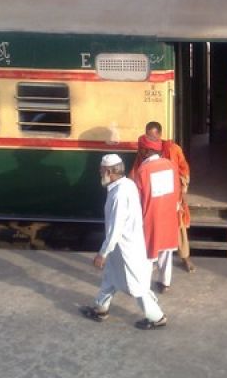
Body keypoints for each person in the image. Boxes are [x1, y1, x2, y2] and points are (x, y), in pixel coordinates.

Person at [80, 154, 167, 330]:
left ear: (109, 171)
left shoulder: (118, 195)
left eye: (101, 170)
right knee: (110, 277)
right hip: (120, 247)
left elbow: (115, 228)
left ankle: (157, 317)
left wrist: (102, 253)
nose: (99, 172)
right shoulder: (127, 185)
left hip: (126, 247)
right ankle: (100, 308)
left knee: (137, 285)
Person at [132, 121, 196, 273]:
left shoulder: (173, 149)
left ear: (160, 135)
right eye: (147, 135)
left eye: (153, 135)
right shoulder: (144, 150)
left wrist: (182, 185)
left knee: (179, 227)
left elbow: (184, 169)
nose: (150, 138)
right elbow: (136, 171)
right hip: (152, 198)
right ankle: (153, 259)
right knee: (153, 228)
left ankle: (185, 257)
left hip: (172, 196)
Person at [132, 135, 181, 293]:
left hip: (151, 217)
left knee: (148, 253)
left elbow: (137, 198)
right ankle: (165, 282)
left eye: (140, 148)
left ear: (145, 150)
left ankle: (143, 286)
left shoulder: (143, 170)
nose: (138, 151)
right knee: (166, 251)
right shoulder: (170, 165)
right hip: (168, 215)